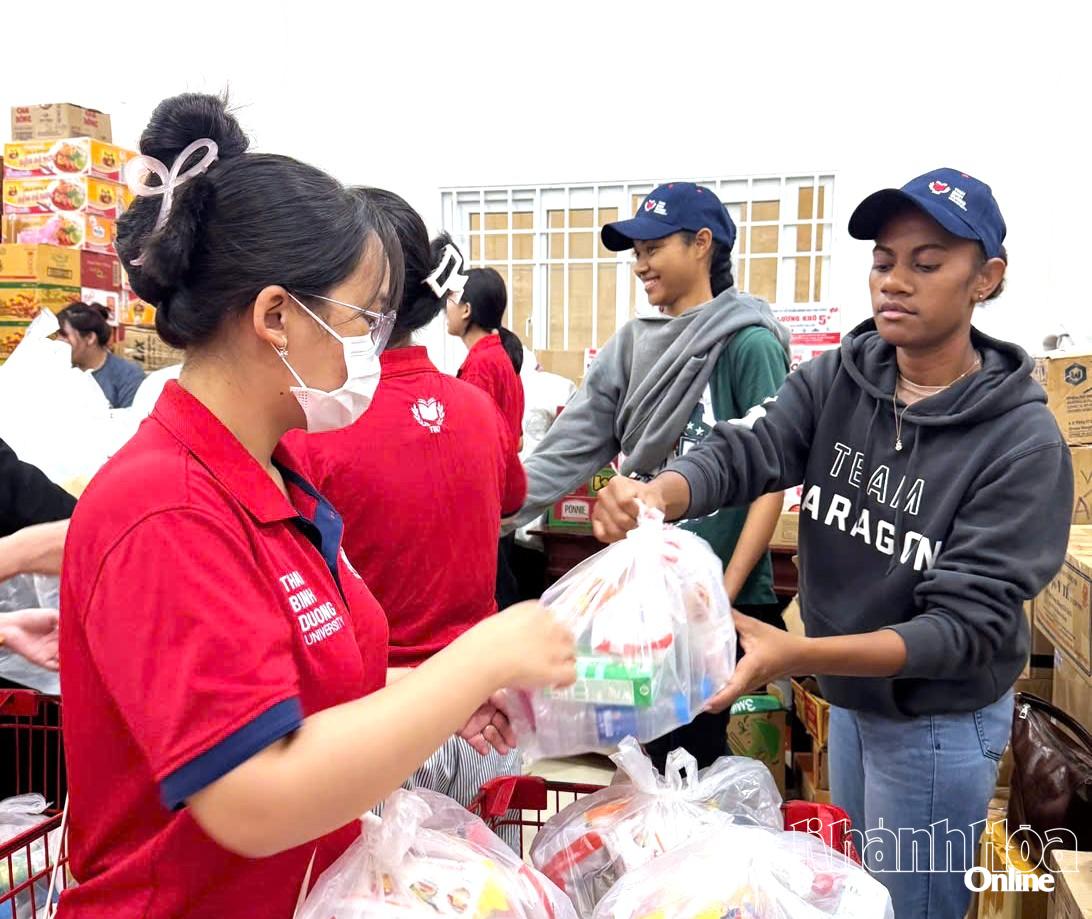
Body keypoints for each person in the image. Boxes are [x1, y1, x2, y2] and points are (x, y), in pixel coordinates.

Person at [58, 93, 575, 918]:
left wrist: (439, 693)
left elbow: (304, 684)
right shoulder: (167, 507)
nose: (373, 345)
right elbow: (253, 795)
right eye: (361, 318)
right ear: (275, 316)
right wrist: (472, 661)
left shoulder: (275, 475)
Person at [593, 169, 1072, 919]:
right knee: (859, 895)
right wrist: (662, 492)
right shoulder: (840, 380)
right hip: (850, 698)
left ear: (986, 278)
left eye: (926, 262)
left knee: (908, 905)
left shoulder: (1020, 442)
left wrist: (801, 653)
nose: (895, 281)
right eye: (884, 261)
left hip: (935, 720)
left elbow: (961, 628)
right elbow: (750, 449)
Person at [510, 182, 792, 770]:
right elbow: (568, 448)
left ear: (702, 245)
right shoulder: (634, 347)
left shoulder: (748, 342)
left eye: (653, 248)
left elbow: (772, 475)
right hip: (651, 604)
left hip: (721, 598)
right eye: (636, 253)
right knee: (651, 761)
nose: (640, 265)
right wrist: (490, 509)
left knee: (699, 766)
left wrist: (722, 598)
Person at [287, 188, 527, 823]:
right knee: (488, 876)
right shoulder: (478, 408)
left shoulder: (314, 430)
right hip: (484, 707)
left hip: (380, 716)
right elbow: (513, 497)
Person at [446, 267, 526, 608]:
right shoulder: (500, 356)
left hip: (486, 495)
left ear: (466, 310)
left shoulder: (479, 366)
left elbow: (472, 441)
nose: (446, 309)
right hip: (503, 489)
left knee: (494, 590)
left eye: (451, 300)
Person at [56, 301, 145, 408]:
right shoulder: (56, 372)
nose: (57, 341)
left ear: (90, 338)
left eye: (64, 335)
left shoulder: (128, 375)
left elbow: (132, 417)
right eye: (56, 335)